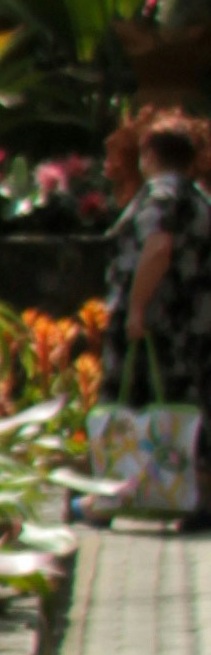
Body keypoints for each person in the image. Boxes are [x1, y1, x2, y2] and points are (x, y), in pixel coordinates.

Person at [108, 114, 211, 516]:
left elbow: (158, 248)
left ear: (149, 154)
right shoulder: (200, 198)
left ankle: (134, 493)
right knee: (189, 409)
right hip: (197, 321)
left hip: (160, 322)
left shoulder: (161, 195)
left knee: (143, 407)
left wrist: (136, 308)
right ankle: (195, 496)